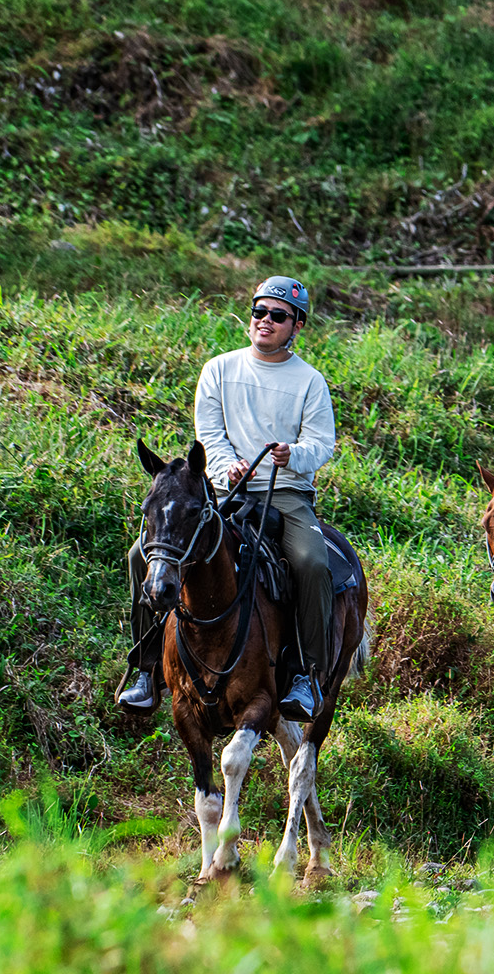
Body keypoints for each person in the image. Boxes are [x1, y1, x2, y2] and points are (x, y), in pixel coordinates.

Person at [118, 276, 337, 721]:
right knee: (142, 553)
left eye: (278, 316)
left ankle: (306, 675)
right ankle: (144, 672)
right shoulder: (219, 369)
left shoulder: (310, 382)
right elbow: (209, 435)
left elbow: (323, 442)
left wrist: (292, 454)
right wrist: (225, 467)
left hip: (286, 493)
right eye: (259, 312)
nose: (266, 321)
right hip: (223, 493)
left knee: (313, 562)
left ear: (297, 326)